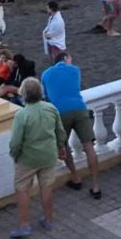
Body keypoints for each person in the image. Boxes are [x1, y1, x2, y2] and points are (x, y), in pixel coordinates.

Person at [42, 52, 102, 199]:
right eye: (70, 58)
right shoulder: (75, 70)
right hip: (79, 108)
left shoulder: (45, 74)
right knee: (89, 147)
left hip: (60, 112)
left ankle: (75, 177)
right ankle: (95, 186)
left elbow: (48, 97)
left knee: (63, 145)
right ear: (65, 59)